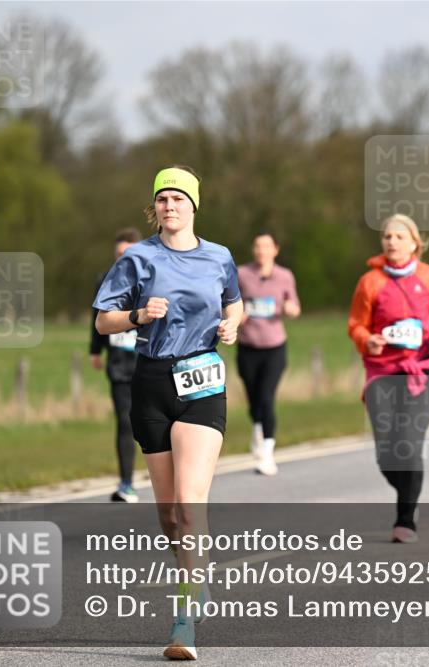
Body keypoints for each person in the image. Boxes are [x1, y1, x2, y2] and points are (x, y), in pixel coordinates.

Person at [94, 165, 243, 660]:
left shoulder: (219, 257)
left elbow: (234, 304)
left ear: (194, 206)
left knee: (187, 505)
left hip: (202, 380)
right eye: (162, 199)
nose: (170, 206)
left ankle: (184, 626)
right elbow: (103, 318)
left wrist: (232, 326)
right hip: (152, 382)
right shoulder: (138, 258)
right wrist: (137, 315)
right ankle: (196, 576)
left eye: (179, 198)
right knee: (167, 517)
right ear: (153, 207)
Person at [348, 214, 429, 544]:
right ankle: (411, 492)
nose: (391, 242)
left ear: (414, 243)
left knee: (408, 444)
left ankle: (405, 517)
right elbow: (356, 323)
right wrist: (366, 339)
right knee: (386, 453)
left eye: (398, 236)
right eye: (386, 237)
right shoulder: (370, 282)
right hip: (382, 372)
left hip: (422, 370)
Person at [236, 231, 301, 476]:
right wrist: (237, 315)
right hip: (248, 346)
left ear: (275, 249)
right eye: (257, 246)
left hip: (275, 347)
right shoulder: (242, 274)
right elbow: (231, 303)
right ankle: (257, 429)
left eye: (265, 247)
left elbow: (295, 306)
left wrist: (289, 308)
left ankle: (267, 452)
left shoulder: (284, 276)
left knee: (266, 397)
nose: (261, 251)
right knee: (254, 401)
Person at [91, 228, 143, 502]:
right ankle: (126, 484)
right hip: (120, 366)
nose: (121, 258)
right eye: (118, 254)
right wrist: (94, 350)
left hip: (149, 364)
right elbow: (96, 319)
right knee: (125, 422)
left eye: (127, 254)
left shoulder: (153, 279)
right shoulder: (105, 281)